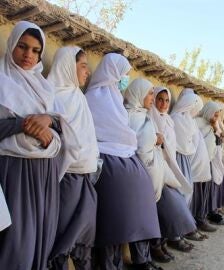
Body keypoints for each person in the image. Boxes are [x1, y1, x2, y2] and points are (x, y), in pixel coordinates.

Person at [0, 21, 77, 270]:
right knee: (16, 241)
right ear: (12, 45)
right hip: (13, 170)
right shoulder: (2, 81)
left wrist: (47, 122)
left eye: (35, 50)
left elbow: (62, 125)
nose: (28, 55)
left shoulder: (45, 87)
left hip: (44, 172)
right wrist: (23, 125)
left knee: (41, 236)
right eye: (22, 47)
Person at [85, 54, 161, 270]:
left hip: (125, 155)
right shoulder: (94, 97)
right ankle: (109, 264)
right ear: (113, 73)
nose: (125, 79)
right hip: (106, 157)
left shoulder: (115, 97)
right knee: (115, 211)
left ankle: (141, 258)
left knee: (141, 201)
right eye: (124, 75)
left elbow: (124, 132)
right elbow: (103, 132)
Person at [125, 79, 197, 263]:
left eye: (166, 100)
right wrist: (156, 141)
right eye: (156, 97)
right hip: (144, 174)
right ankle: (148, 253)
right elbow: (139, 146)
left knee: (166, 209)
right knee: (148, 216)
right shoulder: (133, 116)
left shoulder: (150, 116)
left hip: (161, 170)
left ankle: (160, 245)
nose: (162, 103)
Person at [47, 46, 99, 269]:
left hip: (86, 174)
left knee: (85, 231)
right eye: (83, 66)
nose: (87, 72)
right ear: (69, 67)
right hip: (66, 176)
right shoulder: (52, 96)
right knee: (63, 233)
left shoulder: (79, 96)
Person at [149, 86, 195, 253]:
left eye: (167, 100)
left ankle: (166, 241)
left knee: (172, 205)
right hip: (155, 169)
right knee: (161, 209)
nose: (163, 103)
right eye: (160, 99)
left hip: (169, 169)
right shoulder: (150, 117)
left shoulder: (168, 120)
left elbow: (171, 146)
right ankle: (156, 246)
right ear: (154, 99)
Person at [171, 89, 215, 240]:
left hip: (188, 163)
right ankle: (178, 234)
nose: (197, 111)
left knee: (187, 197)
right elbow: (184, 145)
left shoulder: (189, 120)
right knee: (181, 196)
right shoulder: (177, 119)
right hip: (179, 161)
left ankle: (185, 229)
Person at [196, 101, 224, 226]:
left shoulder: (212, 126)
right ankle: (200, 218)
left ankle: (206, 215)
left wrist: (216, 129)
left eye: (217, 116)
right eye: (214, 115)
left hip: (210, 162)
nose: (215, 118)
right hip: (200, 163)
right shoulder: (198, 123)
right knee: (200, 193)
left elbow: (220, 142)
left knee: (207, 192)